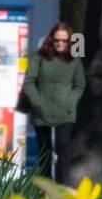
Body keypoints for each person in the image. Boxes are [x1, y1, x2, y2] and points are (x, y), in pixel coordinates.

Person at [22, 21, 86, 184]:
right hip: (42, 111)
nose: (60, 43)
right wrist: (37, 102)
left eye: (64, 41)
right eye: (57, 40)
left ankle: (62, 188)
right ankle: (46, 190)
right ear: (51, 39)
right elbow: (29, 81)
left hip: (65, 112)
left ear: (69, 42)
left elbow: (79, 85)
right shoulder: (39, 58)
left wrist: (70, 102)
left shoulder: (74, 60)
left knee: (63, 148)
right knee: (44, 152)